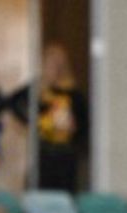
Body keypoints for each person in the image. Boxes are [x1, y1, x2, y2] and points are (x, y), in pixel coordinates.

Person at [7, 44, 88, 192]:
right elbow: (12, 101)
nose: (53, 68)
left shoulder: (73, 93)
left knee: (64, 193)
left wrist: (74, 133)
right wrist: (30, 122)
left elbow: (83, 124)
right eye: (49, 63)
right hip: (43, 152)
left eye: (57, 64)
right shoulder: (37, 88)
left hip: (66, 153)